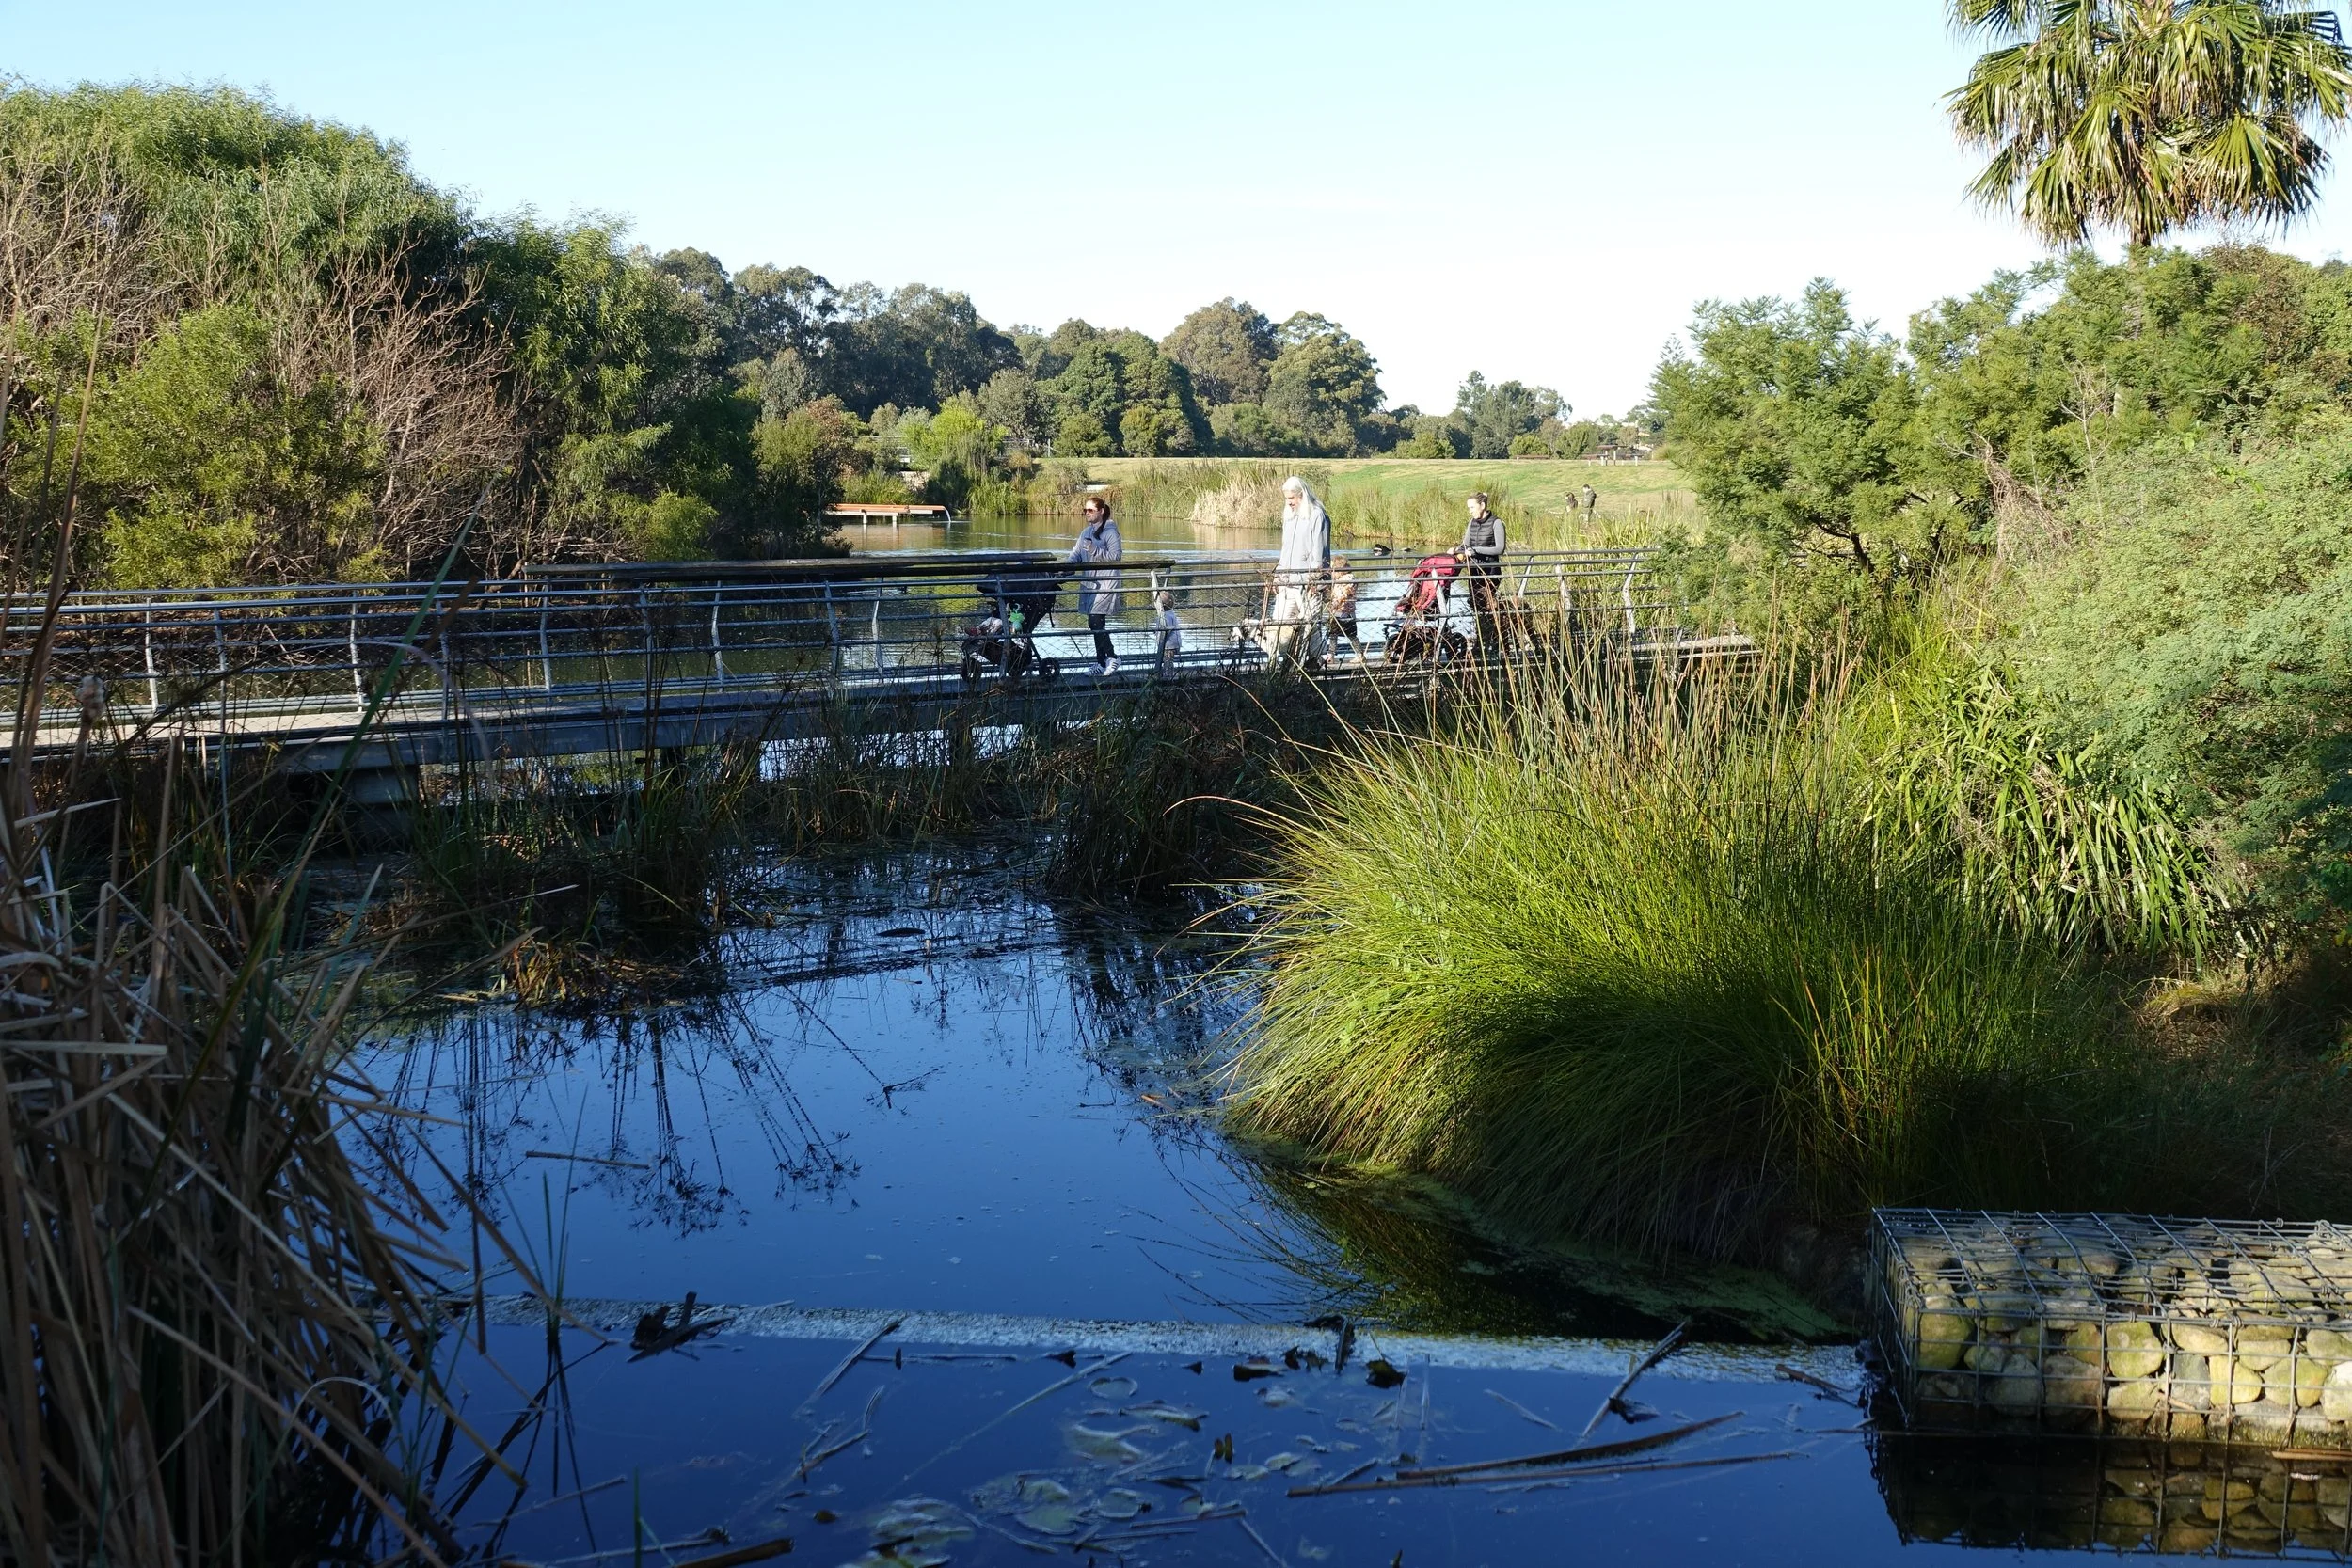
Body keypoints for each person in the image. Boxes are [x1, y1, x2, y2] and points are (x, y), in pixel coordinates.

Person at [1265, 476, 1330, 669]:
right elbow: (1285, 550)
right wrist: (1278, 576)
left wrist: (1315, 580)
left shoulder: (1317, 515)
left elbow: (1319, 551)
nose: (1289, 502)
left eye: (1291, 498)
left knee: (1310, 624)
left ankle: (1316, 659)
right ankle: (1289, 660)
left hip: (1307, 582)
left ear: (1302, 495)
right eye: (1286, 498)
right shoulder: (1289, 516)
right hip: (1288, 581)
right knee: (1282, 622)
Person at [1070, 496, 1122, 675]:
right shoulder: (1085, 532)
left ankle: (1113, 657)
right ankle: (1101, 663)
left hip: (1106, 583)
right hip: (1090, 584)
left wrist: (1094, 550)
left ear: (1101, 511)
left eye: (1090, 510)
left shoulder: (1111, 532)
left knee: (1094, 621)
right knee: (1096, 623)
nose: (1087, 513)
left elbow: (1116, 558)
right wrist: (1067, 566)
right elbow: (1076, 553)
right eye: (1085, 510)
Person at [1459, 492, 1505, 648]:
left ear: (1482, 505)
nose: (1470, 511)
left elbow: (1499, 548)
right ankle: (1482, 641)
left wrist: (1475, 550)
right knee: (1477, 607)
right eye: (1469, 508)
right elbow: (1465, 544)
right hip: (1474, 573)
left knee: (1488, 606)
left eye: (1472, 507)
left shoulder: (1496, 522)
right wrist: (1456, 550)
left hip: (1490, 571)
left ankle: (1493, 640)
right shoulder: (1471, 523)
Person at [1327, 554, 1359, 659]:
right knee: (1333, 634)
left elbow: (1344, 594)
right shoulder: (1340, 580)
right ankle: (1331, 655)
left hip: (1345, 611)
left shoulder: (1348, 579)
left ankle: (1359, 654)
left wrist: (1334, 604)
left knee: (1350, 635)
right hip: (1339, 611)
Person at [1153, 587, 1183, 676]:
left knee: (1168, 660)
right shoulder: (1170, 613)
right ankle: (1166, 673)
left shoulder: (1165, 616)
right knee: (1167, 659)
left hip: (1169, 644)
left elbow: (1167, 628)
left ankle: (1168, 675)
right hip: (1172, 642)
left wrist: (1162, 637)